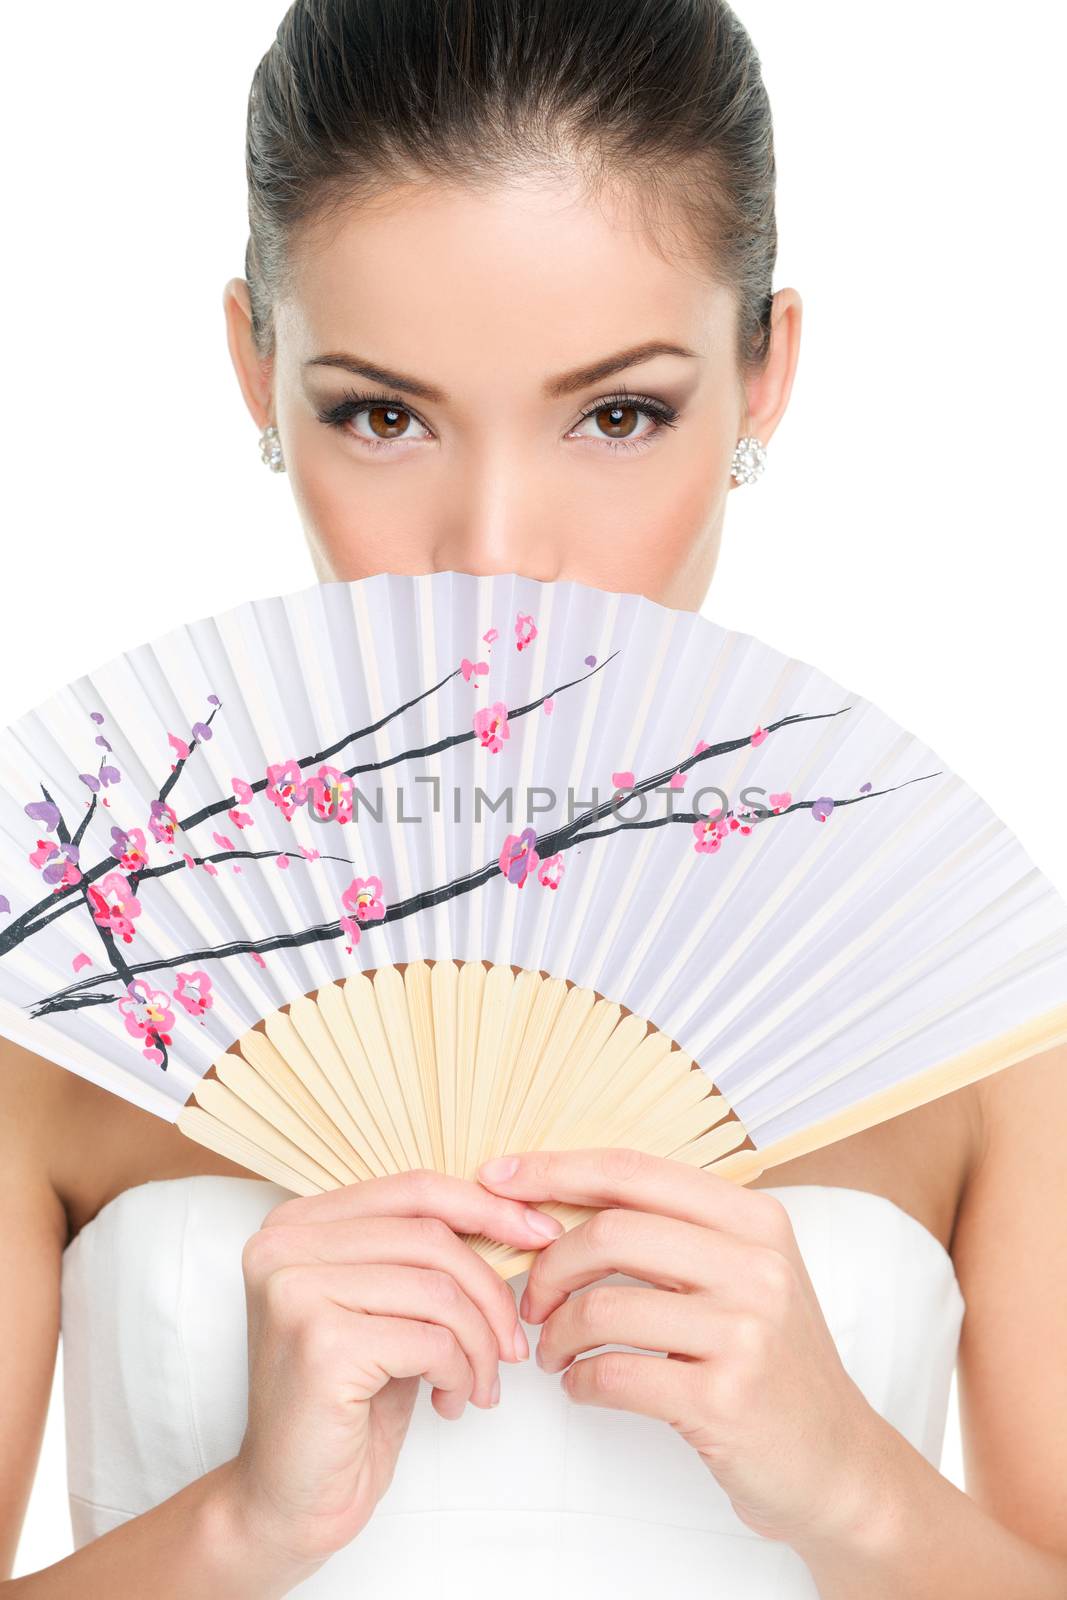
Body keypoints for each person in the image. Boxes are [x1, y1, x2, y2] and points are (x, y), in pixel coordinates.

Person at [3, 1, 1066, 1596]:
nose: (496, 548)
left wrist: (850, 1486)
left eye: (619, 414)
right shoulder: (76, 972)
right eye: (381, 413)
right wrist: (241, 1525)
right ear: (255, 364)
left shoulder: (960, 995)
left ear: (764, 369)